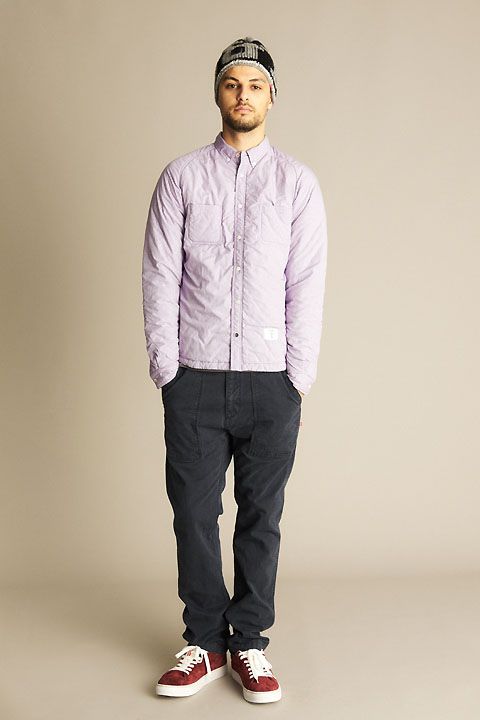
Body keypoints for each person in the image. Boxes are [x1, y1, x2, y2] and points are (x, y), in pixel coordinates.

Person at [142, 36, 328, 704]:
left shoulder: (296, 184)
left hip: (271, 382)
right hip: (194, 378)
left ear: (272, 96)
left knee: (261, 517)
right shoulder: (181, 178)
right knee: (193, 515)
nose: (243, 95)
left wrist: (296, 377)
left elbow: (306, 283)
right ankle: (204, 642)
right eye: (232, 84)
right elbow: (159, 276)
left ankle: (249, 642)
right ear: (217, 93)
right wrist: (167, 369)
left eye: (255, 85)